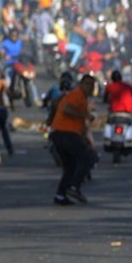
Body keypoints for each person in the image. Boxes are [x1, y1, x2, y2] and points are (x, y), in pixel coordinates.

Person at [50, 75, 96, 205]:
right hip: (65, 133)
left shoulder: (83, 99)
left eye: (92, 85)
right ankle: (74, 187)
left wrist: (85, 138)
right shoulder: (77, 95)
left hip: (62, 134)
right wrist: (85, 115)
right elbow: (67, 109)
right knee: (87, 157)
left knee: (70, 166)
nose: (90, 87)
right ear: (81, 84)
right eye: (87, 84)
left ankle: (60, 195)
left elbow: (80, 124)